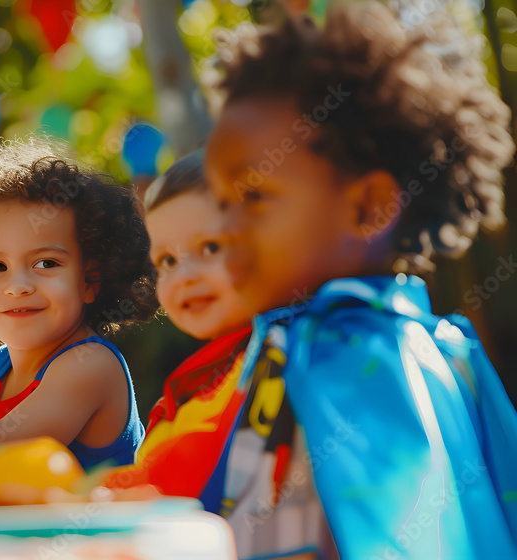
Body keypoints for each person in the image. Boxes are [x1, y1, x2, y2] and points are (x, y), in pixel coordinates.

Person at [198, 3, 517, 558]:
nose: (222, 228)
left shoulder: (351, 355)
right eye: (222, 201)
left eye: (254, 197)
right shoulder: (366, 339)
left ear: (369, 206)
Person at [0, 138, 159, 469]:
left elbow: (10, 442)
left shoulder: (90, 363)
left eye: (46, 264)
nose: (18, 287)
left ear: (89, 281)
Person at [105, 151, 260, 500]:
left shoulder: (278, 355)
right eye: (168, 260)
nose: (185, 277)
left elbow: (192, 465)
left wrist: (96, 496)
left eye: (210, 247)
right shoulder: (217, 367)